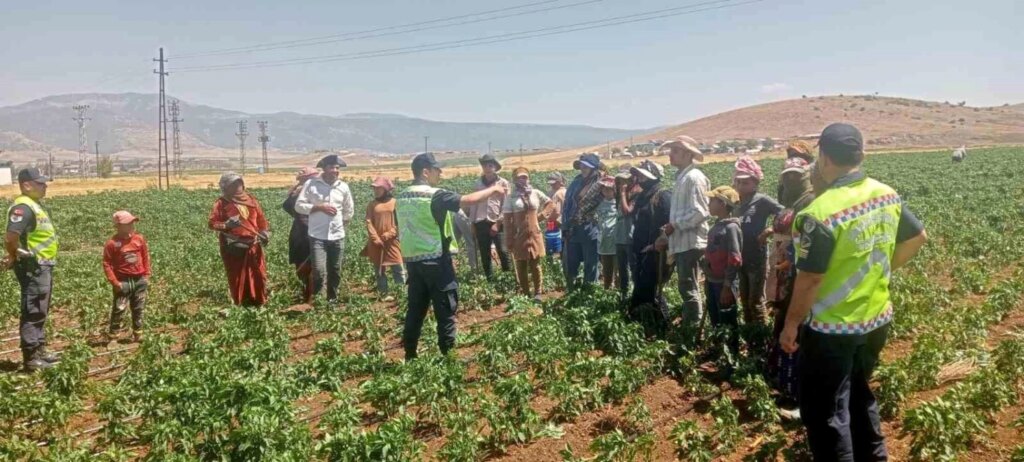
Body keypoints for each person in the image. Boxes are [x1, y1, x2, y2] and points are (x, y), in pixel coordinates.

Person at [780, 123, 928, 461]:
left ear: (823, 157)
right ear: (860, 155)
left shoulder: (818, 213)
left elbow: (810, 280)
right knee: (860, 396)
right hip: (876, 321)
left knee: (827, 415)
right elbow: (918, 238)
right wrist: (880, 271)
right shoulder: (885, 193)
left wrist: (791, 325)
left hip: (833, 329)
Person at [397, 152, 507, 360]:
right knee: (445, 308)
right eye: (437, 170)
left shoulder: (402, 196)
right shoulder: (434, 195)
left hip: (412, 261)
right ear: (425, 172)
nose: (440, 174)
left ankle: (410, 354)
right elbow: (468, 200)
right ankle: (449, 355)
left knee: (415, 309)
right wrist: (494, 189)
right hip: (436, 260)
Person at [766, 157, 816, 411]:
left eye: (796, 175)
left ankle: (795, 391)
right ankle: (784, 382)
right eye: (787, 175)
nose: (790, 179)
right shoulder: (793, 201)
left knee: (793, 325)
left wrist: (794, 264)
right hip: (788, 269)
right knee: (782, 318)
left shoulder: (809, 201)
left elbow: (808, 244)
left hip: (800, 273)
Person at [4, 168, 60, 371]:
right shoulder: (23, 208)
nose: (45, 187)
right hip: (33, 266)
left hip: (42, 265)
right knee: (33, 309)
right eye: (40, 183)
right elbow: (11, 237)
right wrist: (15, 254)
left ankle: (40, 349)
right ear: (26, 185)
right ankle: (31, 357)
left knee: (40, 309)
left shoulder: (34, 205)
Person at [660, 136, 710, 329]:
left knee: (689, 286)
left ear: (689, 154)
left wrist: (676, 225)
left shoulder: (694, 178)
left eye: (676, 151)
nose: (671, 155)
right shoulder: (682, 177)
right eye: (671, 150)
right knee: (686, 285)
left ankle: (694, 329)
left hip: (691, 241)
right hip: (682, 241)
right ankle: (691, 325)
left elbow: (700, 212)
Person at [295, 155, 355, 304]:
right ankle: (319, 302)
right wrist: (317, 207)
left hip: (337, 236)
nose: (335, 171)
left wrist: (342, 225)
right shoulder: (311, 184)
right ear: (324, 169)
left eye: (337, 168)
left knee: (335, 270)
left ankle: (332, 301)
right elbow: (298, 206)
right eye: (332, 167)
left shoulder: (343, 186)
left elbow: (349, 210)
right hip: (317, 236)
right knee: (319, 272)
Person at [732, 156, 784, 325]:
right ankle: (750, 335)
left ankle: (761, 336)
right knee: (745, 300)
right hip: (741, 257)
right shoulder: (736, 202)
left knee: (755, 300)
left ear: (755, 183)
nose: (741, 186)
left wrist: (770, 230)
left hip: (757, 256)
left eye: (745, 182)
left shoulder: (761, 200)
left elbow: (785, 214)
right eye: (738, 182)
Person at [208, 172, 270, 307]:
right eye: (233, 184)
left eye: (239, 183)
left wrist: (264, 232)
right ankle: (241, 304)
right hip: (233, 245)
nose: (237, 186)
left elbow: (261, 220)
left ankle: (259, 301)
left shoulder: (252, 200)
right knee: (237, 275)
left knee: (258, 274)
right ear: (225, 187)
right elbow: (212, 223)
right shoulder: (221, 203)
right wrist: (226, 225)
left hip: (253, 244)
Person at [628, 160, 673, 337]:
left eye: (641, 174)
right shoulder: (643, 196)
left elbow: (670, 225)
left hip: (655, 251)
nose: (638, 178)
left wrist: (657, 244)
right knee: (642, 287)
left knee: (649, 289)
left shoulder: (662, 195)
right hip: (640, 251)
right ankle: (645, 326)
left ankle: (662, 326)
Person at [101, 211, 151, 343]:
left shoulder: (139, 239)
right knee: (119, 309)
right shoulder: (112, 243)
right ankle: (113, 338)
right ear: (118, 226)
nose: (131, 225)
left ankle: (138, 334)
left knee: (138, 308)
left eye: (132, 222)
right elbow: (107, 264)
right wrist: (115, 282)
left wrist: (146, 275)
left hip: (139, 279)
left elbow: (145, 257)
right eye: (127, 223)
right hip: (123, 282)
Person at [704, 186, 742, 355]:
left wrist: (727, 286)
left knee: (727, 321)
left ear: (722, 203)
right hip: (713, 281)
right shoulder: (718, 225)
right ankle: (719, 352)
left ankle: (731, 357)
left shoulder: (731, 228)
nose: (709, 203)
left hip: (724, 284)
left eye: (712, 200)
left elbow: (734, 258)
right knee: (716, 319)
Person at [502, 167, 550, 300]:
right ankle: (525, 293)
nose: (522, 180)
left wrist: (541, 216)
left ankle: (538, 292)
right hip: (519, 235)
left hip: (535, 233)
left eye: (525, 177)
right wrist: (509, 239)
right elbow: (507, 221)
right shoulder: (511, 197)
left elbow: (550, 203)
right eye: (519, 177)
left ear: (528, 178)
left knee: (536, 264)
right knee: (521, 264)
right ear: (514, 179)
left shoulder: (535, 193)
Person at [561, 152, 604, 290]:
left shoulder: (601, 183)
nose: (583, 169)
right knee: (570, 260)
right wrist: (565, 225)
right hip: (573, 227)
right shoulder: (576, 182)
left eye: (586, 166)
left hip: (591, 227)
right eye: (581, 166)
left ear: (593, 168)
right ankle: (571, 289)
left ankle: (589, 291)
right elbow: (567, 205)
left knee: (590, 262)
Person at [469, 154, 511, 280]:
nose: (487, 167)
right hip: (480, 222)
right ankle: (490, 280)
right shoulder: (478, 183)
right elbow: (473, 204)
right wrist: (472, 223)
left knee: (503, 251)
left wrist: (498, 223)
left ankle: (507, 278)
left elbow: (506, 205)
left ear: (495, 167)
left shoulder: (503, 183)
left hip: (498, 222)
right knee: (484, 253)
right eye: (484, 165)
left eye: (490, 165)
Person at [361, 176, 404, 295]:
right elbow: (369, 222)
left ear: (386, 189)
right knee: (379, 270)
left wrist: (389, 234)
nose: (375, 191)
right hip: (376, 243)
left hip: (392, 242)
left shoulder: (395, 203)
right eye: (374, 189)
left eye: (378, 188)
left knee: (398, 267)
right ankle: (383, 293)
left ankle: (401, 294)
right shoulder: (372, 204)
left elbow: (400, 222)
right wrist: (375, 238)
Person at [283, 166, 320, 303]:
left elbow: (287, 207)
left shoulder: (296, 193)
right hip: (307, 233)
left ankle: (308, 295)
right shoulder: (305, 194)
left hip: (299, 233)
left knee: (304, 265)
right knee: (309, 265)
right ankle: (310, 297)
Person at [614, 171, 637, 299]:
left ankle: (634, 294)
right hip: (619, 238)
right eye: (619, 182)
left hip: (629, 238)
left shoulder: (635, 196)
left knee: (633, 269)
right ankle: (624, 295)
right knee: (622, 270)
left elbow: (627, 211)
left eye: (624, 181)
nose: (621, 184)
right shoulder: (619, 197)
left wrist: (623, 194)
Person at [595, 175, 618, 290]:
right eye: (604, 189)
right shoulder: (599, 204)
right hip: (603, 242)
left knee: (618, 270)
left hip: (616, 242)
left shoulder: (618, 204)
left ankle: (619, 292)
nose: (606, 191)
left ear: (614, 190)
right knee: (606, 270)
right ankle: (607, 290)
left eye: (609, 189)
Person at [543, 172, 567, 260]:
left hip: (556, 222)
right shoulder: (563, 191)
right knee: (560, 242)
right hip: (560, 221)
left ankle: (555, 262)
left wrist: (551, 221)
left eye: (554, 183)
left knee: (554, 244)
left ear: (560, 182)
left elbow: (557, 211)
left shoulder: (559, 193)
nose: (552, 185)